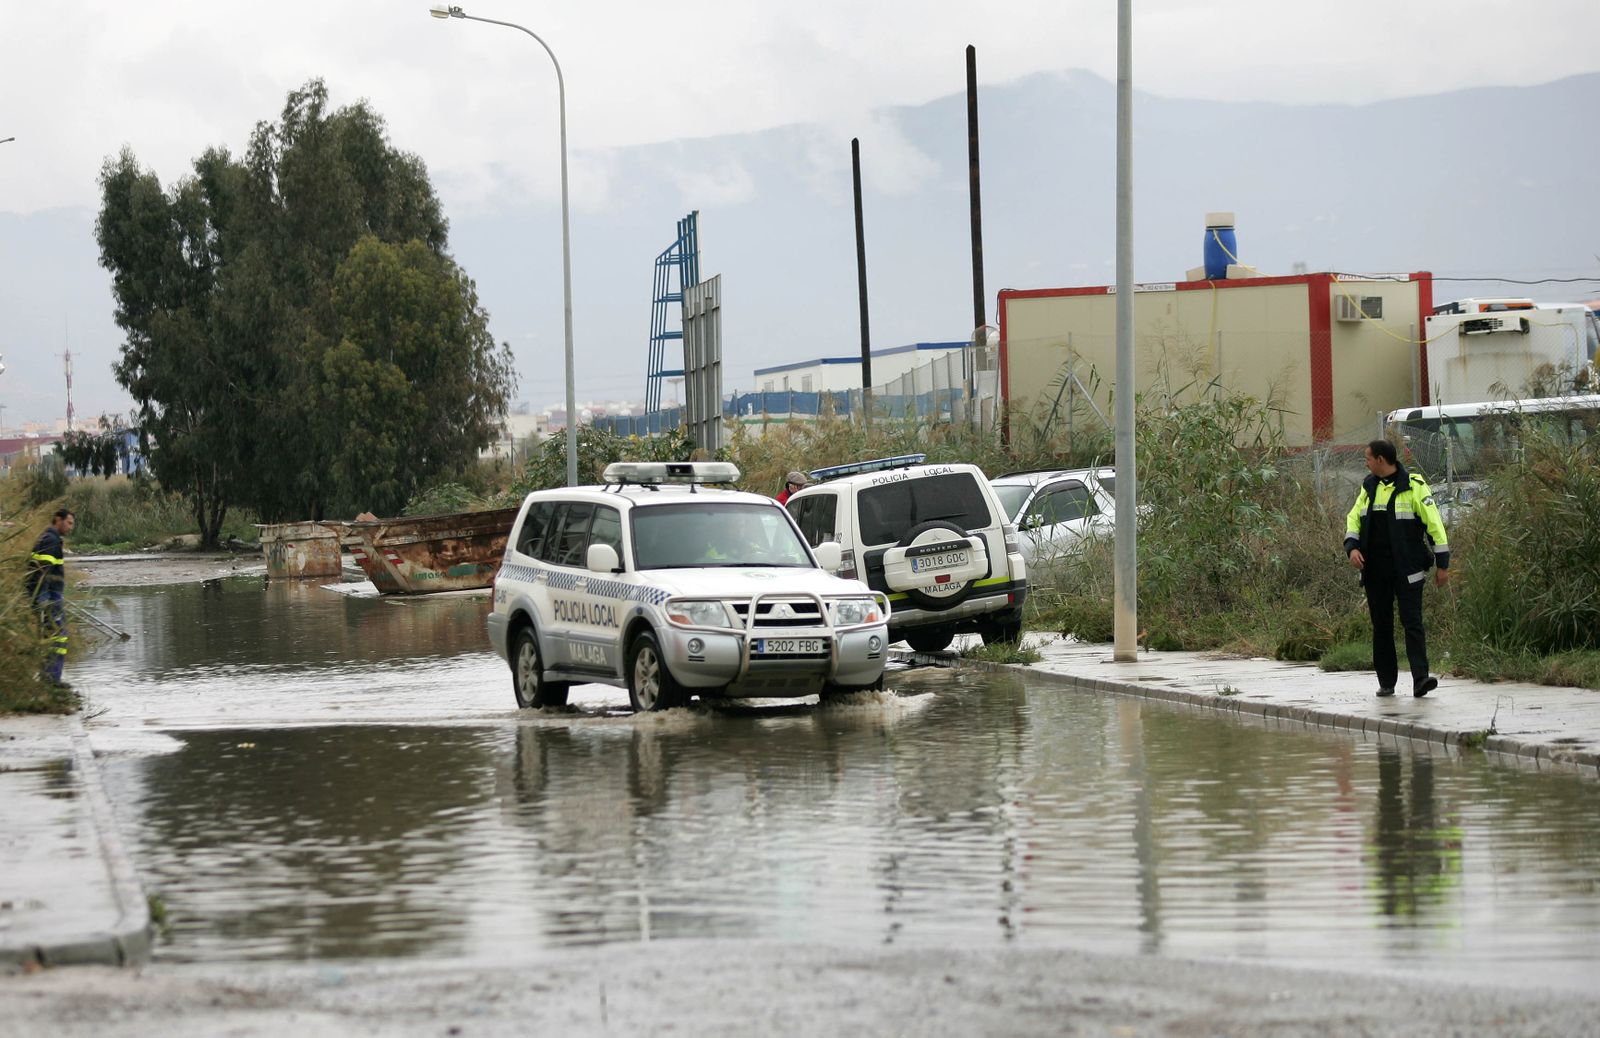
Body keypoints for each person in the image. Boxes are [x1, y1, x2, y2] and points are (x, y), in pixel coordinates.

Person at [1344, 439, 1449, 698]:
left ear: (1380, 460)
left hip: (1408, 570)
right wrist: (1352, 548)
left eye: (1368, 458)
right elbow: (1354, 518)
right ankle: (1387, 682)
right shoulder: (1368, 488)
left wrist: (1442, 565)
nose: (1365, 463)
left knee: (1412, 623)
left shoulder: (1414, 487)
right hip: (1375, 572)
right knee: (1381, 626)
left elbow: (1434, 524)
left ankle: (1421, 680)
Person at [26, 508, 75, 689]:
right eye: (69, 523)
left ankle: (49, 679)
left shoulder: (47, 538)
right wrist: (44, 600)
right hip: (47, 598)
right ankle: (51, 680)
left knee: (51, 637)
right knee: (59, 637)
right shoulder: (50, 540)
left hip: (48, 596)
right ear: (58, 520)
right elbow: (41, 573)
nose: (71, 527)